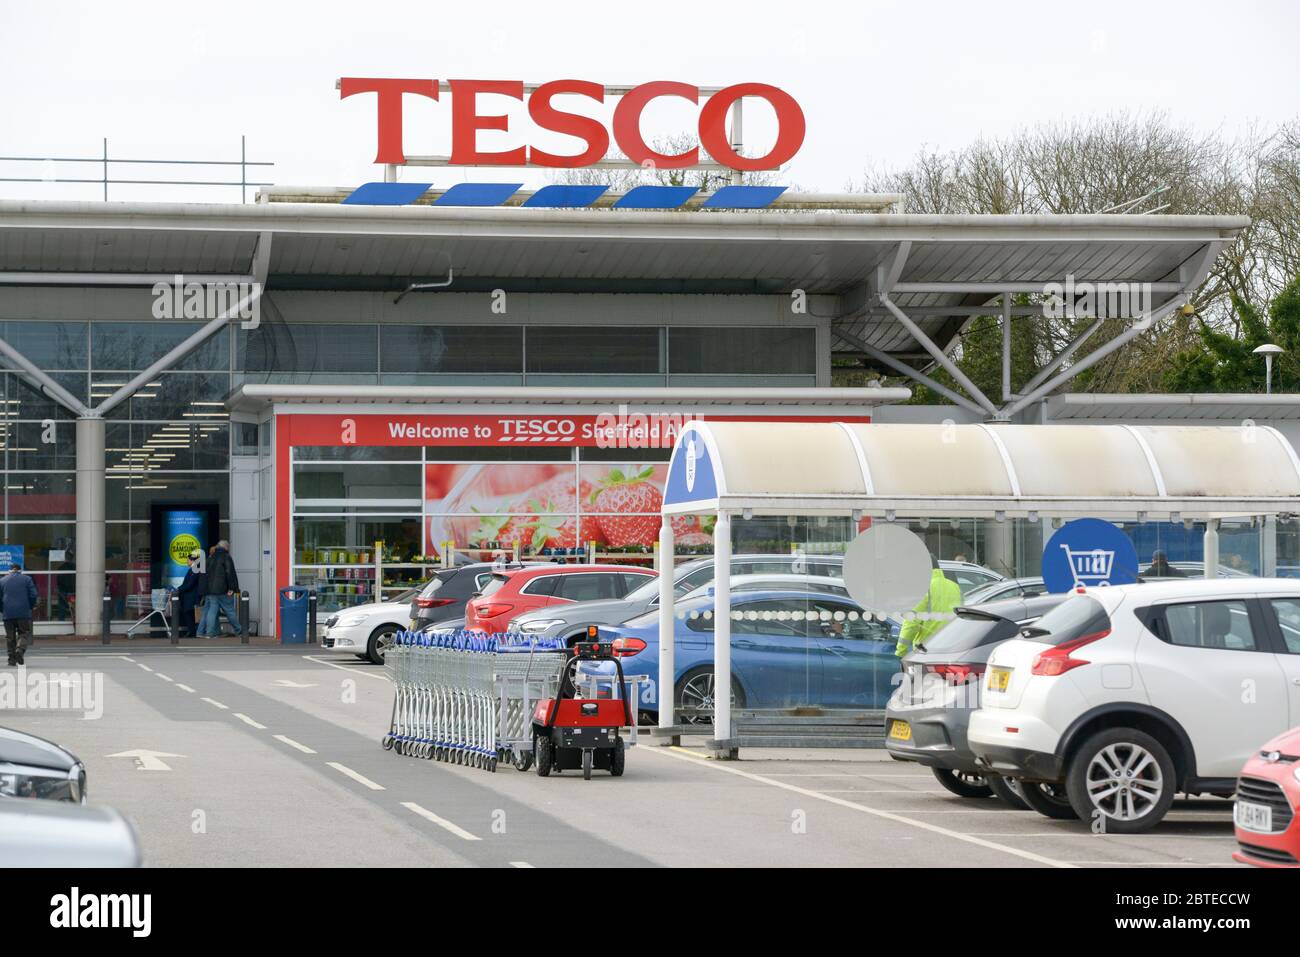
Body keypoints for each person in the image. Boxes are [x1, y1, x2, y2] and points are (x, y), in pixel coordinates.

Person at [896, 555, 963, 657]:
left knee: (921, 673)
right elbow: (962, 617)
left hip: (927, 650)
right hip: (951, 649)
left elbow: (911, 623)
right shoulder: (955, 587)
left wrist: (901, 651)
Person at [199, 540, 242, 639]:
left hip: (210, 590)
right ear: (226, 547)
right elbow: (230, 573)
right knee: (230, 610)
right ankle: (239, 631)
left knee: (212, 611)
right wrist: (232, 588)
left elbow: (203, 574)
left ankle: (209, 633)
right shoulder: (226, 557)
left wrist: (204, 590)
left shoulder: (210, 558)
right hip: (223, 590)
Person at [3, 561, 39, 666]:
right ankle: (20, 650)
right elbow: (33, 594)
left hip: (7, 613)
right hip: (23, 612)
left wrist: (2, 609)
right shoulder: (27, 579)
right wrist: (31, 606)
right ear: (20, 571)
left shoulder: (2, 580)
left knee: (10, 637)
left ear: (9, 571)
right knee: (24, 633)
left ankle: (11, 659)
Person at [175, 549, 206, 639]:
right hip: (189, 596)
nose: (187, 561)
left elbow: (189, 584)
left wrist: (178, 589)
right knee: (189, 614)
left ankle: (192, 632)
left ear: (193, 561)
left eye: (188, 560)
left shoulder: (195, 570)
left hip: (191, 596)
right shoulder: (193, 570)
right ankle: (192, 631)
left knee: (190, 614)